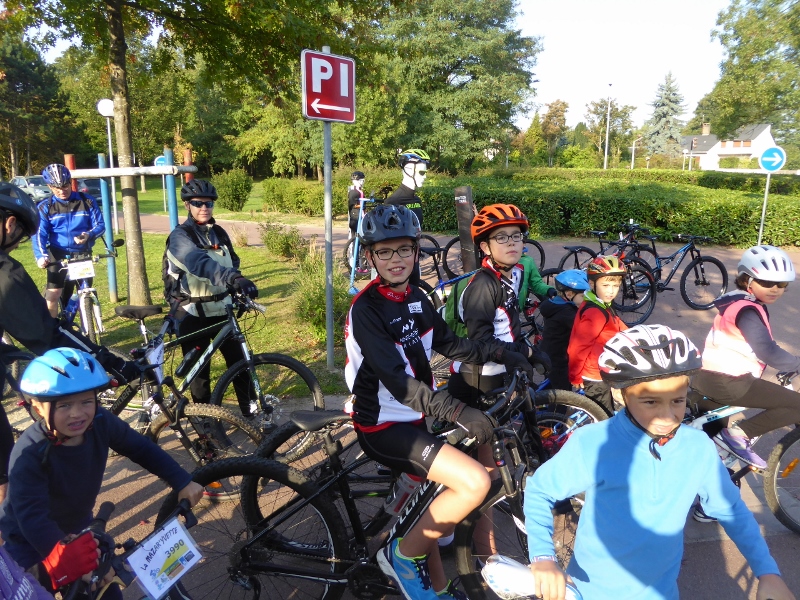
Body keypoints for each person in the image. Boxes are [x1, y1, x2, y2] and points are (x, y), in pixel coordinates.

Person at [344, 203, 534, 600]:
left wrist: (506, 353)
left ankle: (437, 587)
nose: (396, 259)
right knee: (475, 481)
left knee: (424, 502)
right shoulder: (366, 309)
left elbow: (452, 344)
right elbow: (397, 382)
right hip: (383, 424)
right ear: (370, 257)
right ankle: (399, 558)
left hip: (414, 417)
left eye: (404, 249)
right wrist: (458, 410)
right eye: (384, 252)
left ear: (416, 251)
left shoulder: (417, 296)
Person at [523, 325, 795, 600]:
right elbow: (540, 491)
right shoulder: (593, 443)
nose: (667, 416)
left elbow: (731, 510)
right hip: (590, 591)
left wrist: (767, 572)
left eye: (677, 400)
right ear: (619, 393)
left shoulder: (698, 447)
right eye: (651, 402)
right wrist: (543, 557)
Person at [0, 348, 204, 599]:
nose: (77, 413)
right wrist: (71, 562)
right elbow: (33, 518)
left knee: (105, 591)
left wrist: (181, 480)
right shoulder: (29, 453)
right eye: (64, 405)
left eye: (86, 401)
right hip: (30, 543)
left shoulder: (100, 421)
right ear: (38, 407)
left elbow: (140, 448)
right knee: (31, 593)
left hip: (78, 527)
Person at [0, 183, 137, 506]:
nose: (16, 246)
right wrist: (106, 359)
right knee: (5, 476)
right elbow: (43, 333)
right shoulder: (3, 271)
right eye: (20, 239)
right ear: (9, 224)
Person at [692, 245, 800, 471]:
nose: (775, 289)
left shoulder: (737, 303)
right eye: (766, 282)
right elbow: (767, 350)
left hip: (710, 379)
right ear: (747, 280)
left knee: (712, 454)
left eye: (781, 284)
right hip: (731, 382)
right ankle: (739, 434)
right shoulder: (747, 310)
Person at [164, 179, 259, 412]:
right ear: (187, 205)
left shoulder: (219, 233)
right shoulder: (180, 237)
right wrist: (233, 278)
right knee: (200, 376)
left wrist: (237, 289)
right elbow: (199, 264)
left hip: (222, 312)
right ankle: (205, 422)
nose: (204, 208)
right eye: (198, 203)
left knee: (240, 366)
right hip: (192, 313)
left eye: (209, 203)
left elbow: (232, 262)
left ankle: (252, 415)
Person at [448, 203, 551, 405]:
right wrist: (526, 352)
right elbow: (481, 340)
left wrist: (527, 350)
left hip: (504, 365)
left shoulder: (516, 273)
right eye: (501, 237)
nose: (511, 242)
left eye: (516, 236)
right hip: (479, 377)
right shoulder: (483, 287)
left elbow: (509, 323)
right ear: (486, 247)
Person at [33, 164, 105, 318]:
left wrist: (88, 235)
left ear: (70, 182)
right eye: (56, 188)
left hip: (82, 252)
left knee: (84, 291)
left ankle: (87, 326)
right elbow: (39, 234)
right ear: (49, 186)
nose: (62, 191)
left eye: (65, 186)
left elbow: (100, 225)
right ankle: (52, 328)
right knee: (54, 293)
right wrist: (41, 255)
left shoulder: (87, 201)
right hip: (57, 253)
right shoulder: (45, 207)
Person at [568, 255, 627, 413]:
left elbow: (616, 323)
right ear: (592, 284)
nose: (611, 291)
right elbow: (577, 348)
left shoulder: (599, 303)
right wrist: (575, 376)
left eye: (615, 286)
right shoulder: (595, 313)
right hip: (595, 375)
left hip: (603, 369)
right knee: (602, 416)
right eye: (605, 285)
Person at [539, 269, 590, 391]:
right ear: (569, 294)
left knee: (552, 386)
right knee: (562, 393)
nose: (586, 299)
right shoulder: (567, 313)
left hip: (549, 354)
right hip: (558, 360)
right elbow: (585, 331)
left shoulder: (557, 305)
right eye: (583, 296)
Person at [386, 149, 429, 286]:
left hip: (413, 258)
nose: (425, 176)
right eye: (422, 172)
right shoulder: (393, 202)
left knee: (414, 293)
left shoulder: (416, 200)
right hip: (399, 265)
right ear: (409, 170)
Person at [347, 171, 366, 238]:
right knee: (355, 235)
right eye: (362, 180)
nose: (363, 182)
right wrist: (362, 205)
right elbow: (352, 205)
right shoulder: (354, 191)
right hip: (356, 215)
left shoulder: (359, 190)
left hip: (359, 214)